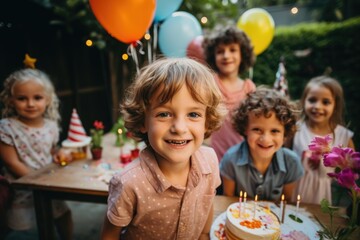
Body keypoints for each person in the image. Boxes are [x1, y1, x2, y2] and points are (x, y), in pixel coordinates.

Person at [100, 58, 227, 240]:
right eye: (164, 114)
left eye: (193, 114)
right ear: (143, 121)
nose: (179, 128)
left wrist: (205, 235)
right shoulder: (129, 184)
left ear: (207, 121)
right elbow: (109, 236)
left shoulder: (210, 161)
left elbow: (208, 204)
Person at [0, 68, 73, 240]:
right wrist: (38, 183)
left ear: (48, 100)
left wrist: (60, 153)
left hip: (49, 186)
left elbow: (51, 151)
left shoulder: (50, 126)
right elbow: (12, 163)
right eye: (22, 98)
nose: (30, 104)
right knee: (21, 228)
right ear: (11, 101)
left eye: (37, 98)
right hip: (22, 189)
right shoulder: (6, 127)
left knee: (63, 216)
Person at [220, 87, 304, 201]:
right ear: (245, 129)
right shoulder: (230, 160)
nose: (266, 139)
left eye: (274, 131)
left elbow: (285, 205)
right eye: (257, 129)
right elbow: (227, 200)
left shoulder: (292, 163)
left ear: (285, 133)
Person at [287, 76, 354, 204]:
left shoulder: (343, 136)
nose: (317, 106)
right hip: (294, 190)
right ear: (304, 101)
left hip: (322, 195)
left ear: (336, 105)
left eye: (326, 102)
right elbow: (283, 157)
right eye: (312, 100)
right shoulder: (296, 129)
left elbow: (351, 170)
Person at [203, 25, 256, 162]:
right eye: (220, 51)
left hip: (242, 157)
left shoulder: (249, 88)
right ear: (213, 56)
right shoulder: (210, 84)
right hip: (214, 157)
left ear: (242, 54)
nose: (226, 56)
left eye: (232, 50)